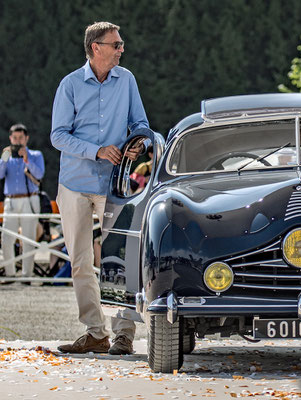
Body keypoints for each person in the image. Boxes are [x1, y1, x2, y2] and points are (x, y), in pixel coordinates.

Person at [50, 22, 149, 355]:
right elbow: (58, 135)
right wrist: (96, 150)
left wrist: (138, 143)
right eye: (116, 44)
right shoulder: (70, 85)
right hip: (75, 184)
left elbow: (142, 126)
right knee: (79, 262)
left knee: (117, 261)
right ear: (96, 47)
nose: (122, 49)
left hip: (115, 184)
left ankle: (124, 335)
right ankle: (95, 332)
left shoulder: (128, 80)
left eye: (121, 44)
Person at [0, 124, 45, 282]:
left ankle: (27, 275)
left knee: (28, 238)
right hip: (11, 200)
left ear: (26, 138)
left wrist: (27, 160)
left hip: (30, 199)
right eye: (15, 138)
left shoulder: (35, 154)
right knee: (7, 239)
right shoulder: (7, 157)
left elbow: (39, 174)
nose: (18, 141)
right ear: (10, 139)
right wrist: (4, 158)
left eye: (21, 138)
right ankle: (10, 273)